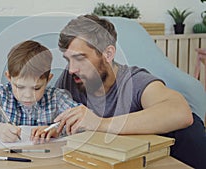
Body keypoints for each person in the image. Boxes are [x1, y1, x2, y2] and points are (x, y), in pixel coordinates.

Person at [54, 14, 206, 169]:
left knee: (190, 131)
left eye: (80, 58)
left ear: (108, 54)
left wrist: (100, 124)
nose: (71, 69)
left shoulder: (134, 80)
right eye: (68, 59)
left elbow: (180, 112)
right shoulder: (72, 77)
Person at [0, 40, 81, 144]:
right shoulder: (0, 95)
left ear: (48, 80)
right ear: (9, 77)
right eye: (19, 87)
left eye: (36, 88)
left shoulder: (56, 97)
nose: (27, 95)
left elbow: (82, 120)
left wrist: (57, 129)